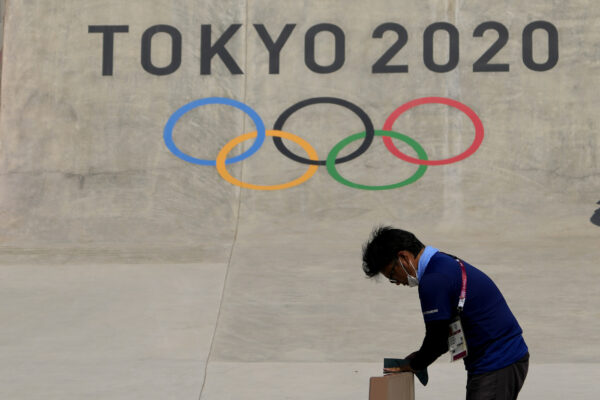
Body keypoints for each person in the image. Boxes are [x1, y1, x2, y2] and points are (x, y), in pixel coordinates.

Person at [362, 226, 529, 400]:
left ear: (403, 257)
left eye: (392, 274)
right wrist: (419, 358)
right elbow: (441, 335)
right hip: (502, 359)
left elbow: (438, 340)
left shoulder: (433, 280)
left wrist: (415, 364)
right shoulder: (443, 261)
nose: (396, 282)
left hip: (497, 362)